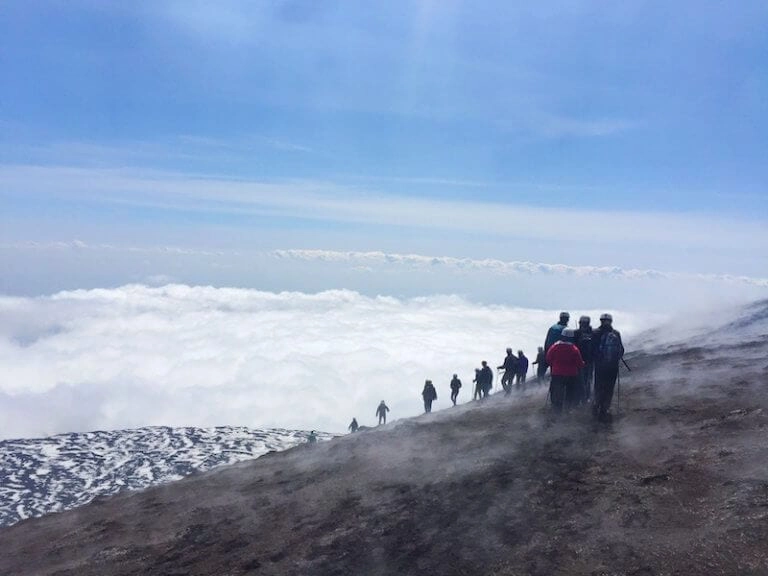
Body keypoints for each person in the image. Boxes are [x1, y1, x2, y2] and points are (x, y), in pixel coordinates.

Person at [592, 313, 625, 423]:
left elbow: (592, 349)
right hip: (613, 366)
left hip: (600, 366)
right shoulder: (616, 333)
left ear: (600, 320)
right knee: (609, 387)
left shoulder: (595, 333)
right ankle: (605, 408)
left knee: (598, 386)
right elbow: (621, 350)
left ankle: (596, 405)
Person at [545, 328, 585, 413]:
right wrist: (583, 363)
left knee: (557, 392)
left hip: (557, 373)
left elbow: (548, 359)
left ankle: (557, 410)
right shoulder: (574, 349)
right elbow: (579, 363)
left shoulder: (555, 347)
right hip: (571, 374)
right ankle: (568, 409)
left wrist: (553, 364)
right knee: (569, 392)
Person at [574, 315, 594, 404]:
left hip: (579, 360)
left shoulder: (576, 333)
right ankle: (586, 398)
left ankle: (581, 398)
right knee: (587, 379)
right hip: (588, 360)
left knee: (580, 380)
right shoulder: (593, 333)